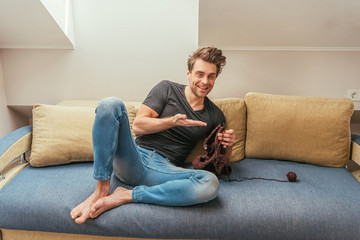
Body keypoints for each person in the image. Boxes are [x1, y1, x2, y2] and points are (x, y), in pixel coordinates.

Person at [70, 47, 236, 224]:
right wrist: (172, 121)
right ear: (188, 74)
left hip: (163, 170)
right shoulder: (167, 88)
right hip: (133, 156)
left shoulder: (215, 115)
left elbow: (217, 165)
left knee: (210, 183)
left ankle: (126, 195)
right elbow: (138, 126)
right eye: (200, 74)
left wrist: (229, 146)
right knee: (110, 104)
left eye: (211, 76)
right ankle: (102, 189)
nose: (205, 81)